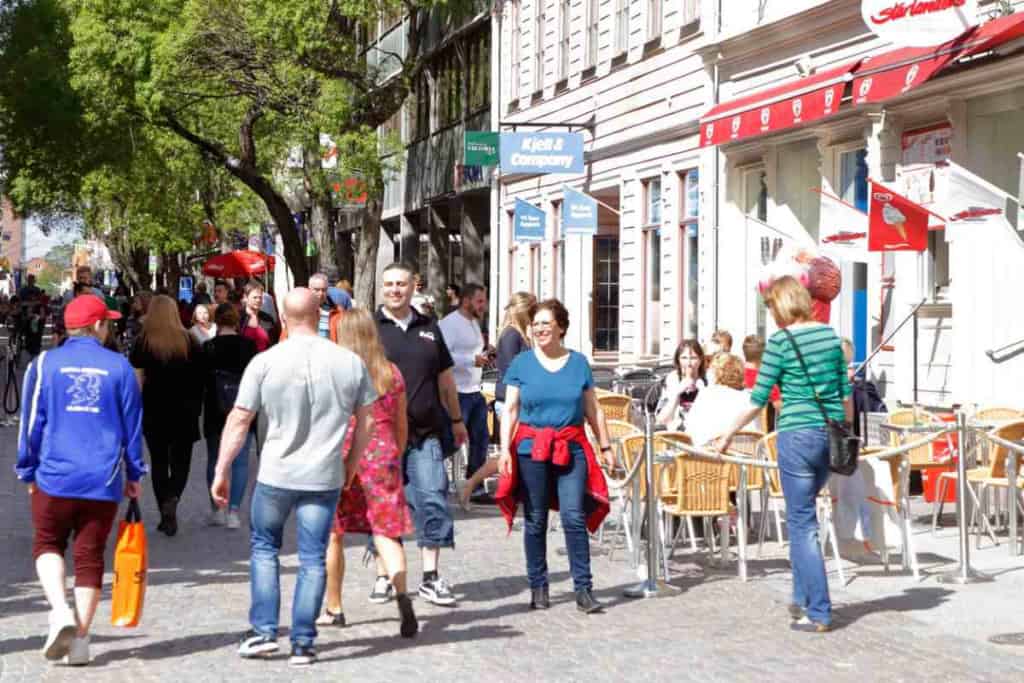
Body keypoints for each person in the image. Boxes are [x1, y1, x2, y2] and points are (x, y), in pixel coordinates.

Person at [211, 288, 375, 667]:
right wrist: (350, 463)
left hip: (276, 473)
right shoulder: (349, 362)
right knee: (313, 557)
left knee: (265, 550)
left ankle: (265, 633)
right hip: (324, 475)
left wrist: (222, 469)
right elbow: (367, 418)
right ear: (320, 314)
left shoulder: (266, 361)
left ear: (283, 318)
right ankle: (303, 643)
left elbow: (239, 419)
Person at [717, 275, 852, 634]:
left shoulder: (780, 342)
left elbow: (758, 398)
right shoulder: (829, 336)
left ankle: (819, 610)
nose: (772, 316)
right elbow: (844, 392)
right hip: (830, 435)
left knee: (802, 523)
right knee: (806, 516)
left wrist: (728, 432)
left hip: (796, 435)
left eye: (772, 308)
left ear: (782, 305)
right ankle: (800, 596)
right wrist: (846, 433)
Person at [15, 295, 143, 666]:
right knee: (89, 558)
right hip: (102, 478)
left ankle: (60, 610)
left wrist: (27, 468)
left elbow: (31, 421)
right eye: (109, 323)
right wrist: (134, 472)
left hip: (54, 474)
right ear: (98, 326)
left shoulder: (44, 365)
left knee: (47, 543)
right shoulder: (120, 367)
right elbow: (132, 429)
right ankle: (81, 642)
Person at [495, 299, 614, 613]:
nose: (540, 329)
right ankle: (538, 585)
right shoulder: (522, 363)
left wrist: (605, 446)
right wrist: (504, 449)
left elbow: (593, 408)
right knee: (535, 520)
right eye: (536, 324)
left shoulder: (578, 363)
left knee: (573, 517)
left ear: (561, 327)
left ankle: (584, 589)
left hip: (570, 446)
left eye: (546, 323)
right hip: (531, 448)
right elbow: (510, 409)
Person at [319, 308, 418, 638]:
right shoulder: (391, 373)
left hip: (343, 453)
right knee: (386, 533)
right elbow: (402, 424)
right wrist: (395, 453)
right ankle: (402, 595)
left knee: (334, 533)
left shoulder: (334, 372)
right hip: (383, 453)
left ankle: (334, 607)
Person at [375, 263, 467, 606]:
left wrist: (457, 419)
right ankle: (386, 574)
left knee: (432, 497)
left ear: (413, 286)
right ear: (382, 288)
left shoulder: (430, 327)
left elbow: (446, 379)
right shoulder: (371, 328)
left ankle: (430, 577)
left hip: (426, 432)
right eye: (389, 284)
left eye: (401, 284)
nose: (395, 290)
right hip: (382, 435)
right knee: (387, 504)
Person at [130, 295, 203, 536]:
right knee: (182, 461)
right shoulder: (189, 341)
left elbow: (137, 379)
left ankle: (165, 510)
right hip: (185, 410)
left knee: (159, 462)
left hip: (154, 409)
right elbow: (199, 379)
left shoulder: (143, 342)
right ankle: (173, 497)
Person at [459, 291, 536, 508]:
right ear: (523, 312)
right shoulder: (512, 334)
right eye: (532, 312)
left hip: (517, 398)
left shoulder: (517, 333)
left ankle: (512, 489)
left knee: (516, 449)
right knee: (513, 450)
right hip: (511, 399)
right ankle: (474, 484)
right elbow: (511, 370)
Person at [200, 304, 257, 528]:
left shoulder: (208, 347)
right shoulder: (249, 346)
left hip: (215, 410)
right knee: (241, 462)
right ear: (236, 322)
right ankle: (234, 512)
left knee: (215, 459)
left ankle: (217, 509)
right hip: (244, 408)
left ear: (217, 321)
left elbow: (201, 382)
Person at [438, 283, 492, 501]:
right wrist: (472, 360)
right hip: (456, 392)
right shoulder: (450, 324)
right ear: (467, 300)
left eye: (484, 301)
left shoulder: (474, 324)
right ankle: (430, 481)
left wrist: (486, 356)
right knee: (450, 441)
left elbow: (472, 352)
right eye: (479, 301)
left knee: (481, 439)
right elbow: (443, 355)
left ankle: (475, 485)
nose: (483, 306)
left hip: (474, 390)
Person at [683, 353, 760, 447]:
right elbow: (756, 435)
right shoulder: (750, 399)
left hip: (708, 458)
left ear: (715, 373)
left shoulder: (707, 394)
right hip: (746, 458)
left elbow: (690, 430)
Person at [656, 339, 707, 431]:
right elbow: (661, 420)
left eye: (693, 358)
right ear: (678, 360)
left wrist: (703, 391)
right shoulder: (672, 379)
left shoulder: (707, 380)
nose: (689, 363)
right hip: (677, 434)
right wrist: (677, 392)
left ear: (701, 360)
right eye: (684, 358)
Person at [282, 272, 341, 341]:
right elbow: (286, 335)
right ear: (309, 289)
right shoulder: (299, 309)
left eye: (324, 290)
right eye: (317, 290)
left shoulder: (337, 311)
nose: (321, 293)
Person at [742, 335, 782, 428]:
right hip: (760, 434)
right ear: (764, 355)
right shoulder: (766, 381)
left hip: (736, 432)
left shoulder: (734, 377)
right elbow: (783, 411)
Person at [240, 281, 279, 352]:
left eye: (260, 297)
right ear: (246, 298)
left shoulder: (267, 319)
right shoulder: (239, 318)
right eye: (255, 297)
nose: (258, 300)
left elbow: (274, 342)